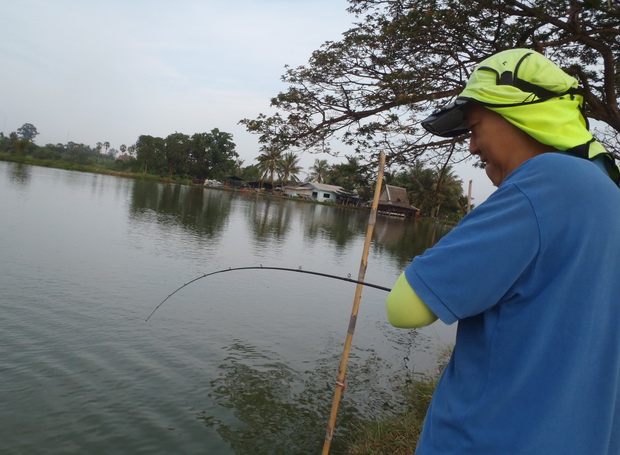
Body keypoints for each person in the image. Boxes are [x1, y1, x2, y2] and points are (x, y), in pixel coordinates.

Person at [386, 48, 620, 454]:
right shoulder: (607, 193)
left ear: (520, 114)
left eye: (475, 127)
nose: (472, 147)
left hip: (491, 438)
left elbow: (405, 308)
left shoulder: (545, 181)